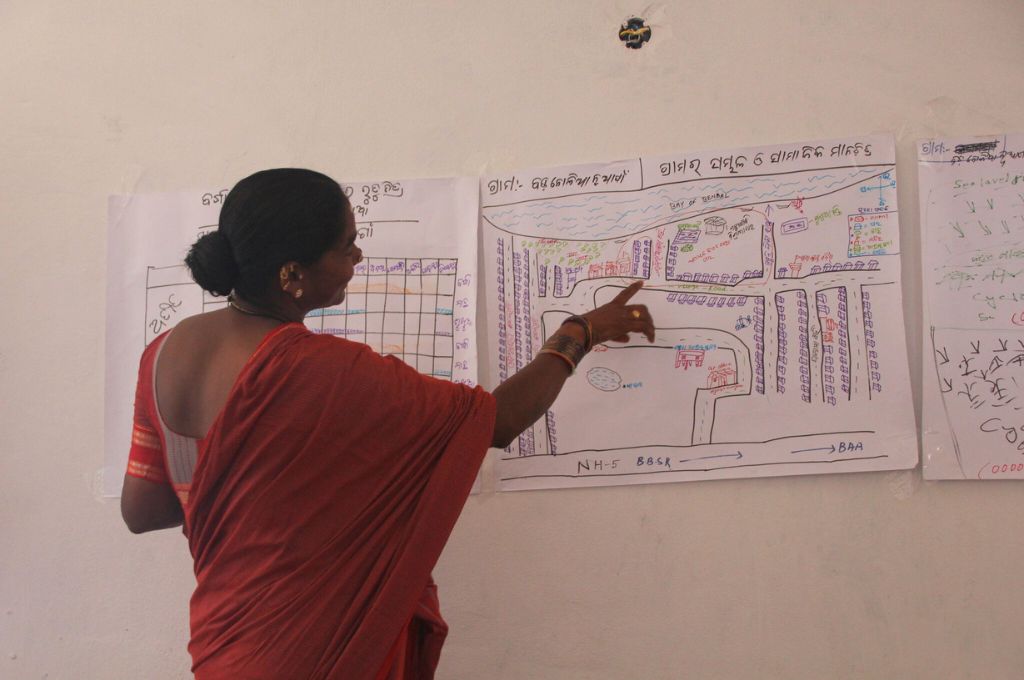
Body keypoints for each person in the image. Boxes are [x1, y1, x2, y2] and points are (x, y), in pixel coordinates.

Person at [121, 168, 656, 679]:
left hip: (227, 647)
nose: (357, 255)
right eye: (345, 245)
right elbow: (496, 422)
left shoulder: (163, 353)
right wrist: (579, 332)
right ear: (293, 274)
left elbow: (144, 510)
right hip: (313, 653)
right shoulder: (323, 371)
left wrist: (257, 502)